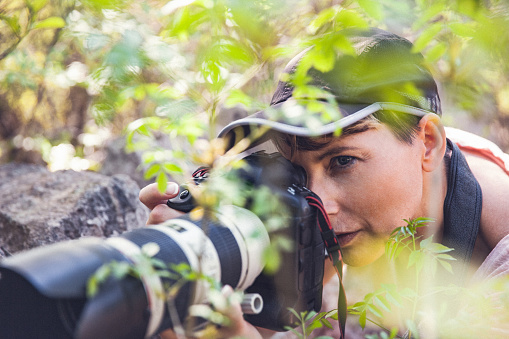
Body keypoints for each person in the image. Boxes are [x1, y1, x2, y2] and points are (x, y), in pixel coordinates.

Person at [139, 27, 509, 338]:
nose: (317, 204)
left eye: (342, 161)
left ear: (428, 142)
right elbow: (273, 314)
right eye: (295, 172)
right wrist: (205, 252)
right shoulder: (404, 162)